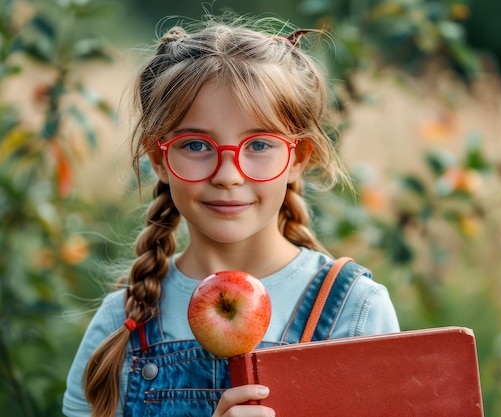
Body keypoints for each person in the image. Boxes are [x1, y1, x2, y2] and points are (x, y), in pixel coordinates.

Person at [63, 13, 399, 417]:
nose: (227, 175)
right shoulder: (122, 323)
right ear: (160, 159)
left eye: (258, 145)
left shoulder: (356, 312)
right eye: (196, 145)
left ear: (298, 157)